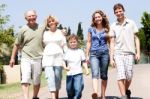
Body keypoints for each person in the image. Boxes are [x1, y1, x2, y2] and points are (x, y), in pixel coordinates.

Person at [9, 10, 46, 99]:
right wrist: (12, 58)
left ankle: (34, 97)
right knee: (25, 79)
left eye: (33, 15)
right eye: (29, 16)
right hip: (26, 57)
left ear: (36, 16)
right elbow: (16, 44)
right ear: (26, 18)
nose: (31, 17)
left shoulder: (41, 27)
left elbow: (51, 25)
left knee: (37, 80)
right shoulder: (23, 29)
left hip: (38, 57)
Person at [109, 3, 140, 99]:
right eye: (116, 12)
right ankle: (123, 96)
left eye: (120, 11)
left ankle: (126, 91)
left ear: (123, 11)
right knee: (121, 75)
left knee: (129, 76)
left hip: (130, 53)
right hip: (118, 53)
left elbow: (136, 38)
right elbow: (112, 42)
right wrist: (111, 58)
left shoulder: (131, 23)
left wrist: (138, 52)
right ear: (114, 13)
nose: (118, 13)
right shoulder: (113, 25)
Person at [86, 10, 110, 99]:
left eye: (99, 17)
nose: (97, 18)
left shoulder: (107, 29)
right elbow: (88, 42)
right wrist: (86, 55)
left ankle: (103, 95)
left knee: (104, 75)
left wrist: (112, 55)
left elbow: (111, 42)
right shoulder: (90, 29)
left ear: (102, 17)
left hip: (104, 53)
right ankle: (95, 93)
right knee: (95, 73)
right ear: (93, 19)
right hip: (94, 54)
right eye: (95, 17)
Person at [42, 15, 67, 99]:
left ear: (56, 22)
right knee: (50, 77)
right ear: (47, 24)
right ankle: (53, 96)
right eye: (49, 21)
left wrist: (67, 55)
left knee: (57, 77)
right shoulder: (45, 33)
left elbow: (64, 45)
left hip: (58, 57)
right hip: (47, 57)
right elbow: (42, 44)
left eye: (52, 21)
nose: (51, 22)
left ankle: (56, 95)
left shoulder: (61, 32)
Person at [63, 34, 89, 99]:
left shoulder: (80, 51)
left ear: (77, 42)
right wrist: (65, 67)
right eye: (71, 42)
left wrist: (86, 70)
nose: (73, 43)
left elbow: (83, 61)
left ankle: (77, 96)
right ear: (68, 43)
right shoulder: (67, 52)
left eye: (74, 42)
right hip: (69, 74)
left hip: (78, 73)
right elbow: (63, 61)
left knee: (78, 88)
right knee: (69, 89)